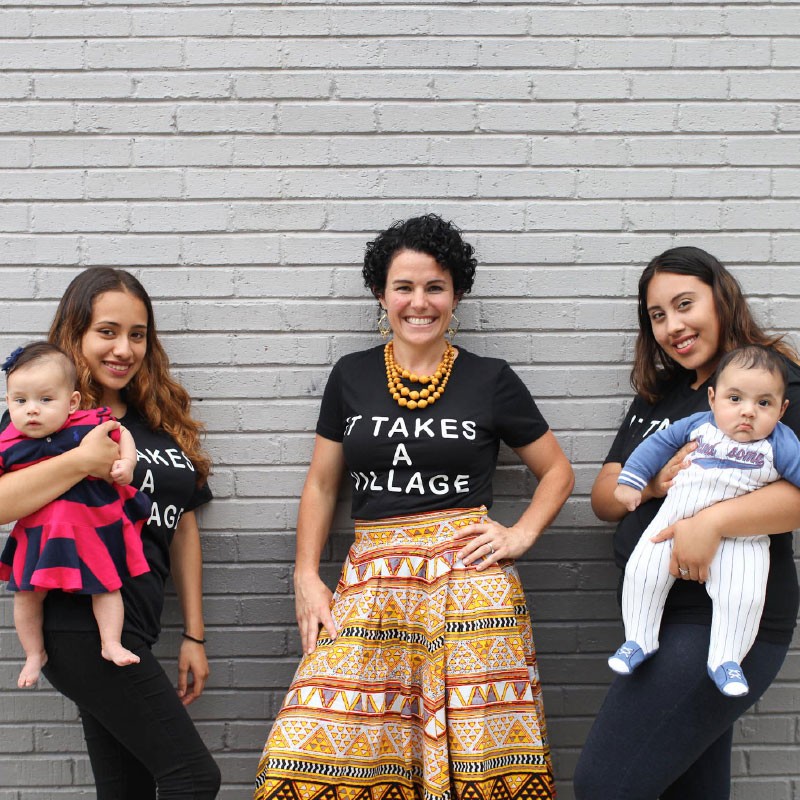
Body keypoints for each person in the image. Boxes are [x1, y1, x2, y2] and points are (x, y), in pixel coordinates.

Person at [254, 214, 574, 800]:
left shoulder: (491, 379)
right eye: (404, 287)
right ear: (382, 294)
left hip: (470, 588)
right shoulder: (351, 375)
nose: (419, 302)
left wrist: (520, 534)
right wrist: (306, 574)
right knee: (311, 749)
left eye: (435, 287)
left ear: (455, 295)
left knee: (480, 760)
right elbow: (323, 485)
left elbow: (556, 471)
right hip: (373, 582)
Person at [574, 247, 800, 800]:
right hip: (657, 618)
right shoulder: (658, 394)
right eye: (657, 316)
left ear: (720, 298)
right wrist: (653, 483)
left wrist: (715, 521)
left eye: (684, 304)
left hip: (719, 618)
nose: (673, 326)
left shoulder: (772, 380)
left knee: (606, 784)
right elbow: (607, 495)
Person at [0, 268, 221, 799]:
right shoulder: (47, 423)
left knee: (127, 791)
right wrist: (79, 459)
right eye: (107, 331)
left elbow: (182, 523)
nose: (124, 348)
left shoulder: (155, 421)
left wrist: (194, 633)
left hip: (134, 629)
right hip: (76, 623)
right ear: (74, 334)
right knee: (193, 777)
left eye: (137, 334)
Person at [608, 345, 800, 697]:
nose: (747, 412)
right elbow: (655, 446)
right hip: (673, 519)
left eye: (763, 403)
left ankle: (726, 660)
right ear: (713, 399)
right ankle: (639, 639)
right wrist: (634, 481)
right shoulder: (699, 425)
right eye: (735, 399)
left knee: (743, 596)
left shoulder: (782, 444)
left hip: (742, 539)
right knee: (642, 572)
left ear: (782, 409)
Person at [0, 341, 152, 687]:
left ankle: (110, 642)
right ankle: (33, 653)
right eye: (20, 400)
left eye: (45, 399)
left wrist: (127, 463)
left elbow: (121, 432)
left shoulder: (87, 423)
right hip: (40, 535)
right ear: (8, 403)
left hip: (90, 529)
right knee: (26, 594)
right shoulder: (8, 441)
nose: (32, 410)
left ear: (72, 403)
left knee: (107, 586)